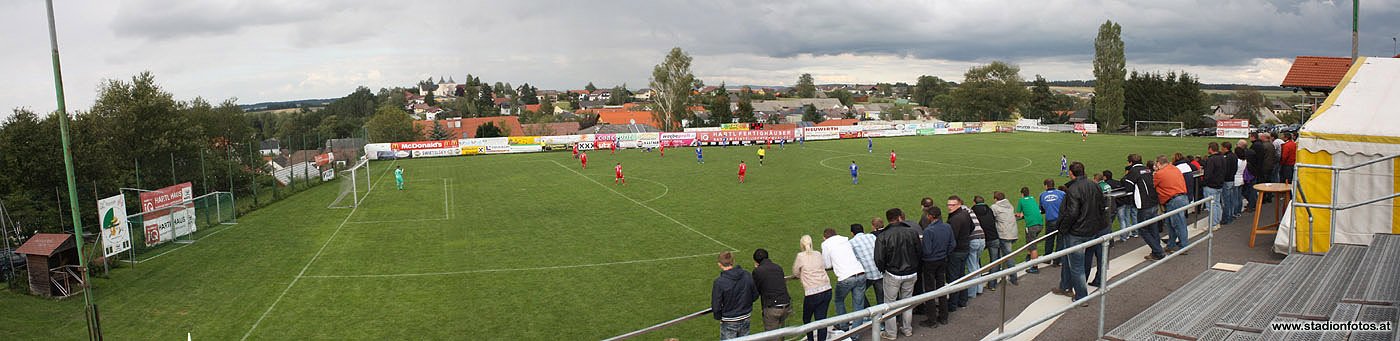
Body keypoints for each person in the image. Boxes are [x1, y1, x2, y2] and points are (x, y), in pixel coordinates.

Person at [1053, 162, 1108, 304]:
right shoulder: (1094, 185)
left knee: (1076, 265)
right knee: (1081, 261)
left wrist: (1063, 229)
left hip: (1077, 232)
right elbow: (1102, 206)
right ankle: (1065, 286)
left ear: (1071, 173)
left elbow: (1072, 213)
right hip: (1092, 230)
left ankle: (1081, 296)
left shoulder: (1073, 189)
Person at [873, 208, 921, 339]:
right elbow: (919, 252)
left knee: (890, 304)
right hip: (910, 272)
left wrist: (884, 269)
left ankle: (892, 333)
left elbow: (878, 258)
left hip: (893, 273)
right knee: (907, 302)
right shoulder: (911, 232)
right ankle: (907, 329)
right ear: (900, 217)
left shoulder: (883, 235)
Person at [821, 228, 867, 332]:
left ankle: (844, 325)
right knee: (858, 304)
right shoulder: (845, 240)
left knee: (839, 300)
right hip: (860, 273)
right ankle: (855, 334)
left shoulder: (826, 244)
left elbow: (827, 264)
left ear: (825, 237)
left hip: (846, 277)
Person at [1123, 154, 1166, 260]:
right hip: (1154, 203)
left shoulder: (1133, 172)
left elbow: (1128, 187)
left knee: (1143, 230)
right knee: (1153, 228)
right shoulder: (1148, 170)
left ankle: (1158, 251)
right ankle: (1157, 252)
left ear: (1130, 163)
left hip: (1144, 205)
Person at [918, 206, 955, 327]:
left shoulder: (929, 231)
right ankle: (944, 317)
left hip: (930, 262)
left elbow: (927, 251)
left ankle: (932, 319)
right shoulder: (947, 227)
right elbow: (952, 244)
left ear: (931, 216)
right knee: (941, 287)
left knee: (930, 290)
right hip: (942, 260)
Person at [792, 235, 832, 341]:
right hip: (826, 288)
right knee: (821, 320)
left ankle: (810, 339)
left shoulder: (801, 256)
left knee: (807, 319)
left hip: (813, 292)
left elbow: (795, 272)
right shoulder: (818, 254)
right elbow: (823, 266)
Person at [711, 251, 758, 340]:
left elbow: (716, 305)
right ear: (733, 261)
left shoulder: (719, 282)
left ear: (719, 264)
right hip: (745, 316)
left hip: (730, 320)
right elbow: (755, 294)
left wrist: (719, 317)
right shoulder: (746, 274)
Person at [1154, 155, 1191, 254]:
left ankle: (1184, 246)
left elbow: (1153, 184)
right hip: (1181, 197)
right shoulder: (1175, 168)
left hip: (1173, 200)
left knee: (1178, 224)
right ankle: (1171, 245)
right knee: (1172, 224)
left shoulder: (1160, 173)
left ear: (1158, 163)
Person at [752, 249, 792, 333]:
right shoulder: (778, 267)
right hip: (786, 304)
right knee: (781, 334)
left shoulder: (758, 271)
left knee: (772, 336)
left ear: (756, 261)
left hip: (773, 307)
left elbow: (755, 291)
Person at [945, 196, 975, 309]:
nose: (949, 207)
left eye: (952, 205)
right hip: (964, 248)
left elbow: (952, 238)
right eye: (948, 205)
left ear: (958, 204)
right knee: (961, 275)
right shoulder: (965, 214)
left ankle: (953, 304)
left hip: (957, 251)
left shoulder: (955, 219)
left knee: (954, 278)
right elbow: (972, 227)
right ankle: (962, 300)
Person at [848, 224, 884, 310]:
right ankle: (883, 315)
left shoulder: (851, 243)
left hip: (868, 274)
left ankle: (869, 312)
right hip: (880, 270)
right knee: (881, 295)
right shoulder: (872, 236)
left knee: (856, 291)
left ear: (852, 233)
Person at [990, 191, 1020, 287]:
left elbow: (992, 219)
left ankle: (1012, 278)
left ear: (995, 199)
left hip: (1003, 234)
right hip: (1012, 233)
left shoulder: (994, 207)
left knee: (1006, 256)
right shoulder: (1010, 205)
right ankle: (1009, 278)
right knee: (1006, 255)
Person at [1015, 187, 1046, 274]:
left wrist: (1020, 214)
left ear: (1022, 194)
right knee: (1029, 241)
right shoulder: (1032, 199)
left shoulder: (1021, 200)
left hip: (1032, 226)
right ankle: (1029, 256)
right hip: (1040, 224)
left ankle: (1035, 267)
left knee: (1033, 246)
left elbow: (1018, 214)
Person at [971, 196, 997, 292]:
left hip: (981, 238)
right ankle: (992, 284)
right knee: (994, 261)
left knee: (976, 260)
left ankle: (978, 286)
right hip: (993, 237)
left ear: (974, 202)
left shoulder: (972, 211)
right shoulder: (989, 209)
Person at [1039, 179, 1066, 267]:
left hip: (1050, 220)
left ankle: (1047, 258)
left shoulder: (1042, 195)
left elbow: (1042, 209)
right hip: (1060, 220)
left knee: (1049, 240)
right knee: (1060, 241)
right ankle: (1057, 261)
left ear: (1046, 185)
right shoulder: (1062, 194)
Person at [1202, 143, 1229, 228]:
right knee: (1217, 204)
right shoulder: (1222, 158)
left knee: (1211, 206)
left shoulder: (1211, 159)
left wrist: (1203, 183)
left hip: (1211, 186)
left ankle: (1213, 224)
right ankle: (1217, 222)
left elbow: (1208, 174)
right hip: (1219, 184)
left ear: (1210, 149)